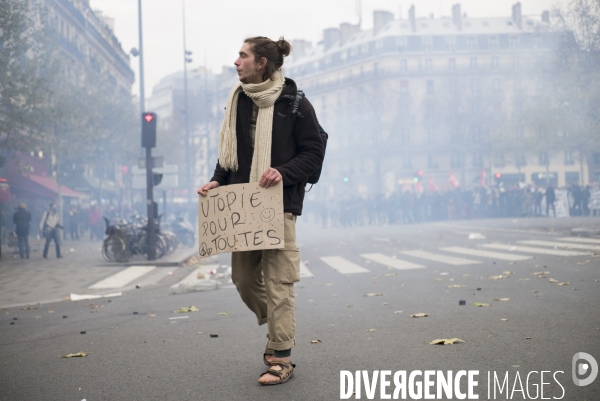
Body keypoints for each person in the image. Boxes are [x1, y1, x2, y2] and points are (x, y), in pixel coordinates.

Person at [197, 36, 324, 385]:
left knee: (280, 283)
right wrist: (215, 181)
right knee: (243, 279)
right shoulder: (237, 100)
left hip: (279, 204)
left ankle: (281, 357)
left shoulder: (295, 103)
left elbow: (313, 153)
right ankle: (281, 331)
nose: (236, 61)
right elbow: (229, 153)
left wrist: (283, 171)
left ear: (262, 62)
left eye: (243, 55)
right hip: (243, 205)